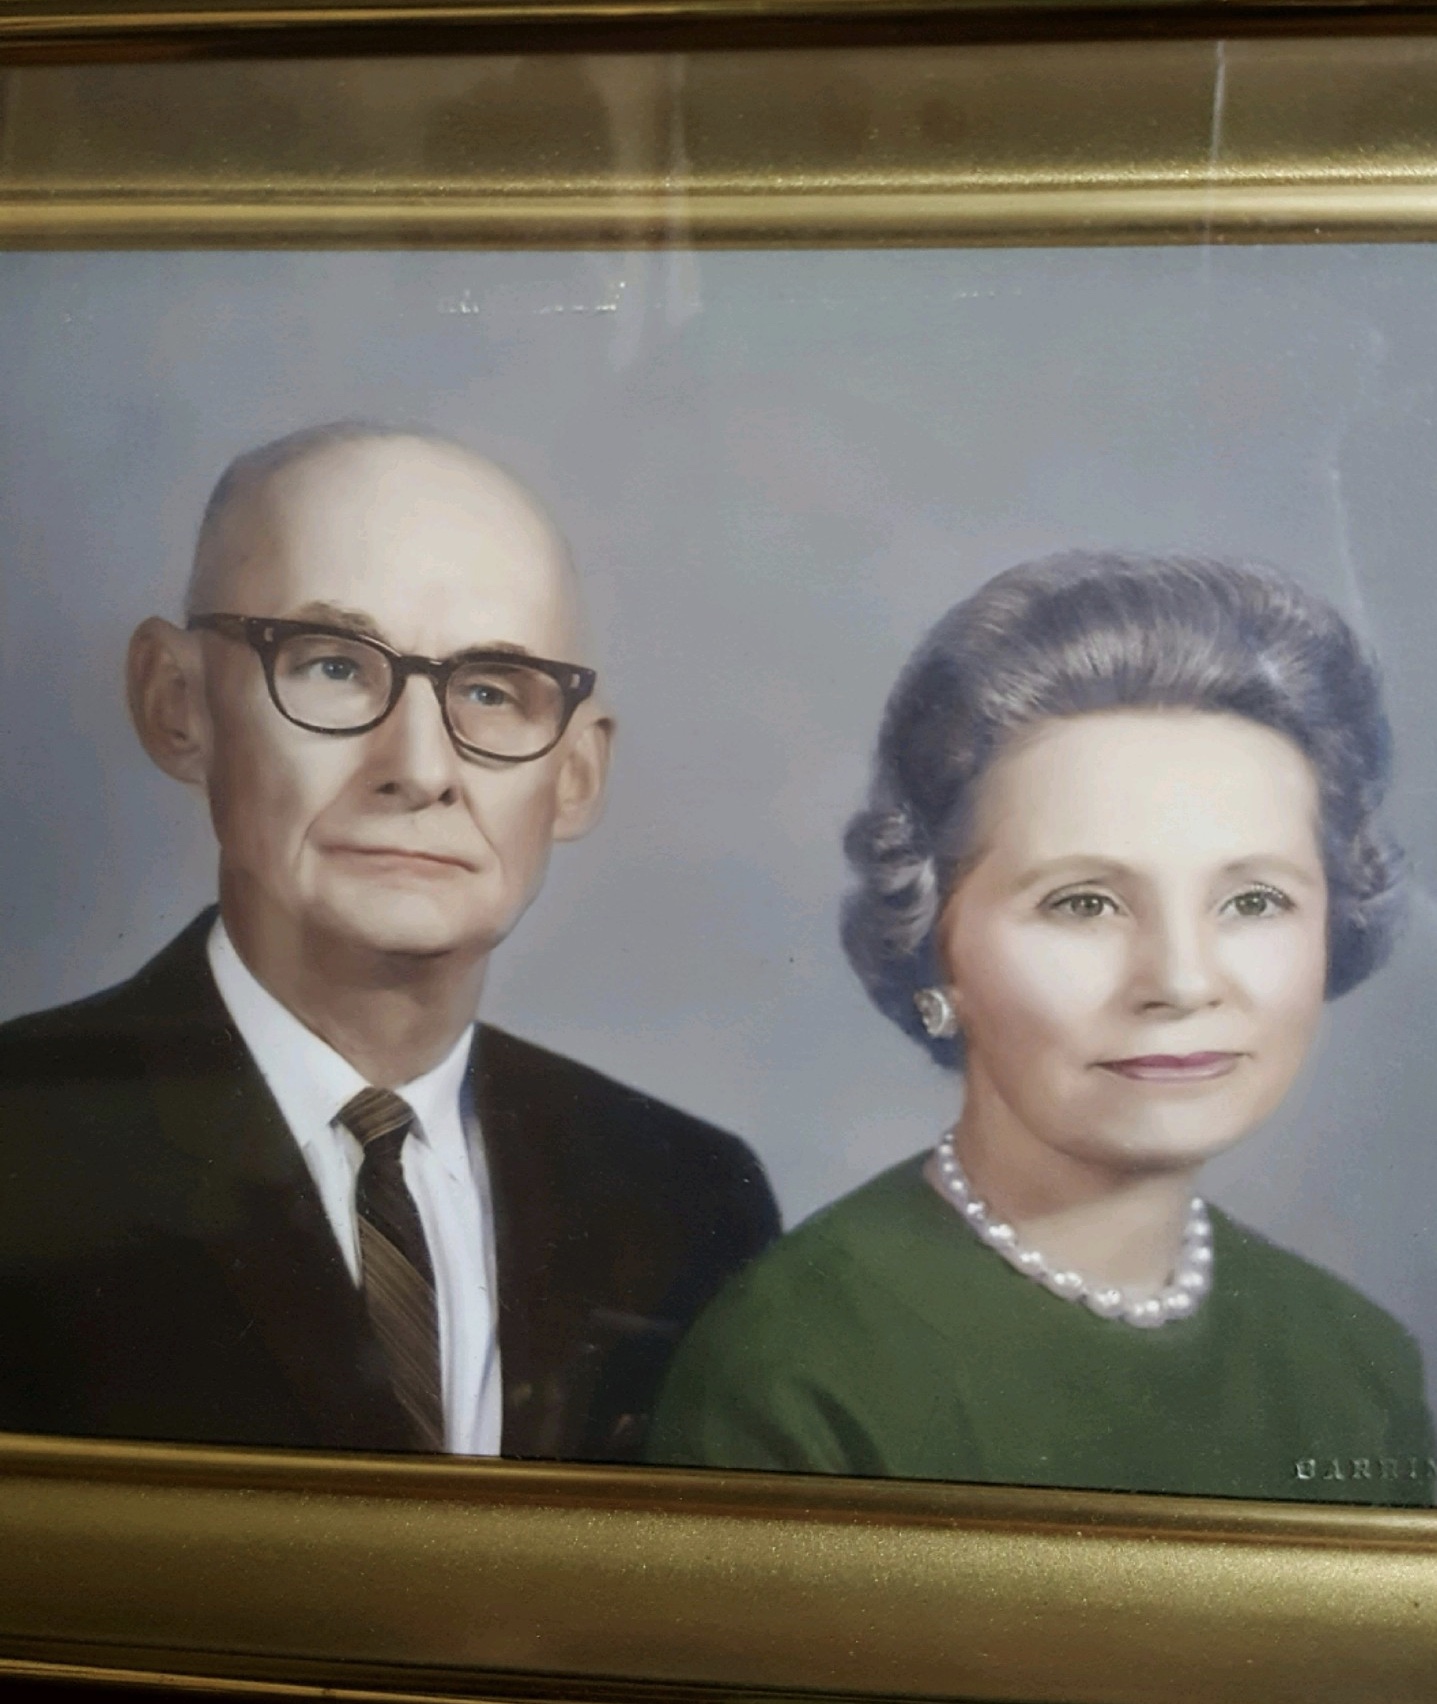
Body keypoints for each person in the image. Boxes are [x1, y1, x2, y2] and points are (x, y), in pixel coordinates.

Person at [0, 422, 778, 1461]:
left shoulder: (686, 1194)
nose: (419, 767)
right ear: (176, 704)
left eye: (492, 691)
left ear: (576, 774)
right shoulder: (23, 1146)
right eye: (332, 666)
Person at [649, 550, 1435, 1505]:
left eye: (1253, 900)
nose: (1180, 981)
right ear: (933, 941)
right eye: (1084, 903)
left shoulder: (1355, 1359)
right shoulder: (798, 1367)